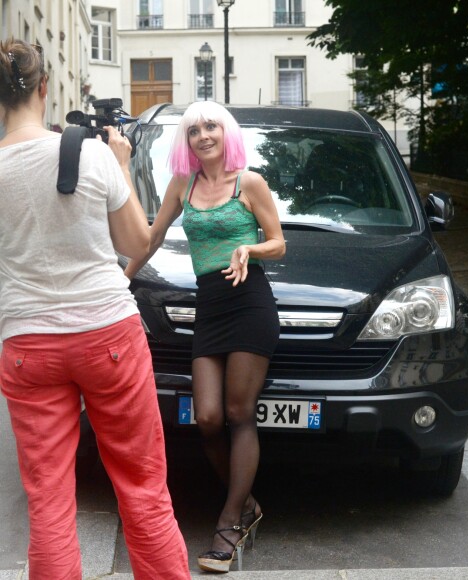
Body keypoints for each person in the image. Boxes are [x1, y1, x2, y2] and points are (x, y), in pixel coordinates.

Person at [0, 39, 190, 580]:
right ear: (45, 90)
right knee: (142, 485)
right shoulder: (90, 154)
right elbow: (135, 241)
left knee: (49, 502)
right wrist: (121, 165)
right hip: (106, 332)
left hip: (27, 345)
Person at [124, 100, 286, 573]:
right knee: (209, 417)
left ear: (225, 133)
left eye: (212, 126)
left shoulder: (249, 182)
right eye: (195, 130)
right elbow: (151, 236)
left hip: (251, 303)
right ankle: (249, 505)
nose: (204, 135)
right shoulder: (183, 184)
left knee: (238, 412)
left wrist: (248, 246)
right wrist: (123, 279)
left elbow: (278, 243)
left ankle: (229, 524)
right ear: (188, 141)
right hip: (210, 306)